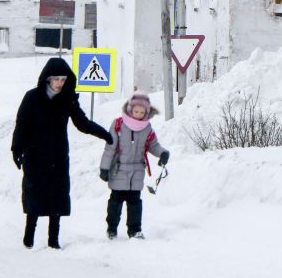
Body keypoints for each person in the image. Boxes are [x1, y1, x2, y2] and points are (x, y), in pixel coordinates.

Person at [11, 56, 112, 249]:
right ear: (48, 78)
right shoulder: (32, 97)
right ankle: (29, 236)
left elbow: (82, 123)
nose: (59, 83)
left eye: (63, 79)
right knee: (35, 193)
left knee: (57, 195)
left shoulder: (67, 100)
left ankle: (53, 240)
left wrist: (104, 134)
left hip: (57, 155)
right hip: (35, 154)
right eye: (56, 79)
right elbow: (21, 124)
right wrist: (16, 149)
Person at [99, 91, 170, 240]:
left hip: (137, 171)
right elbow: (110, 147)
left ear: (147, 112)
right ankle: (111, 228)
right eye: (136, 111)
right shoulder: (118, 124)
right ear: (130, 109)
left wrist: (162, 153)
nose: (138, 114)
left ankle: (135, 230)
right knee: (115, 202)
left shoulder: (147, 128)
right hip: (119, 169)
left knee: (135, 203)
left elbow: (153, 145)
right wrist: (104, 168)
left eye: (142, 112)